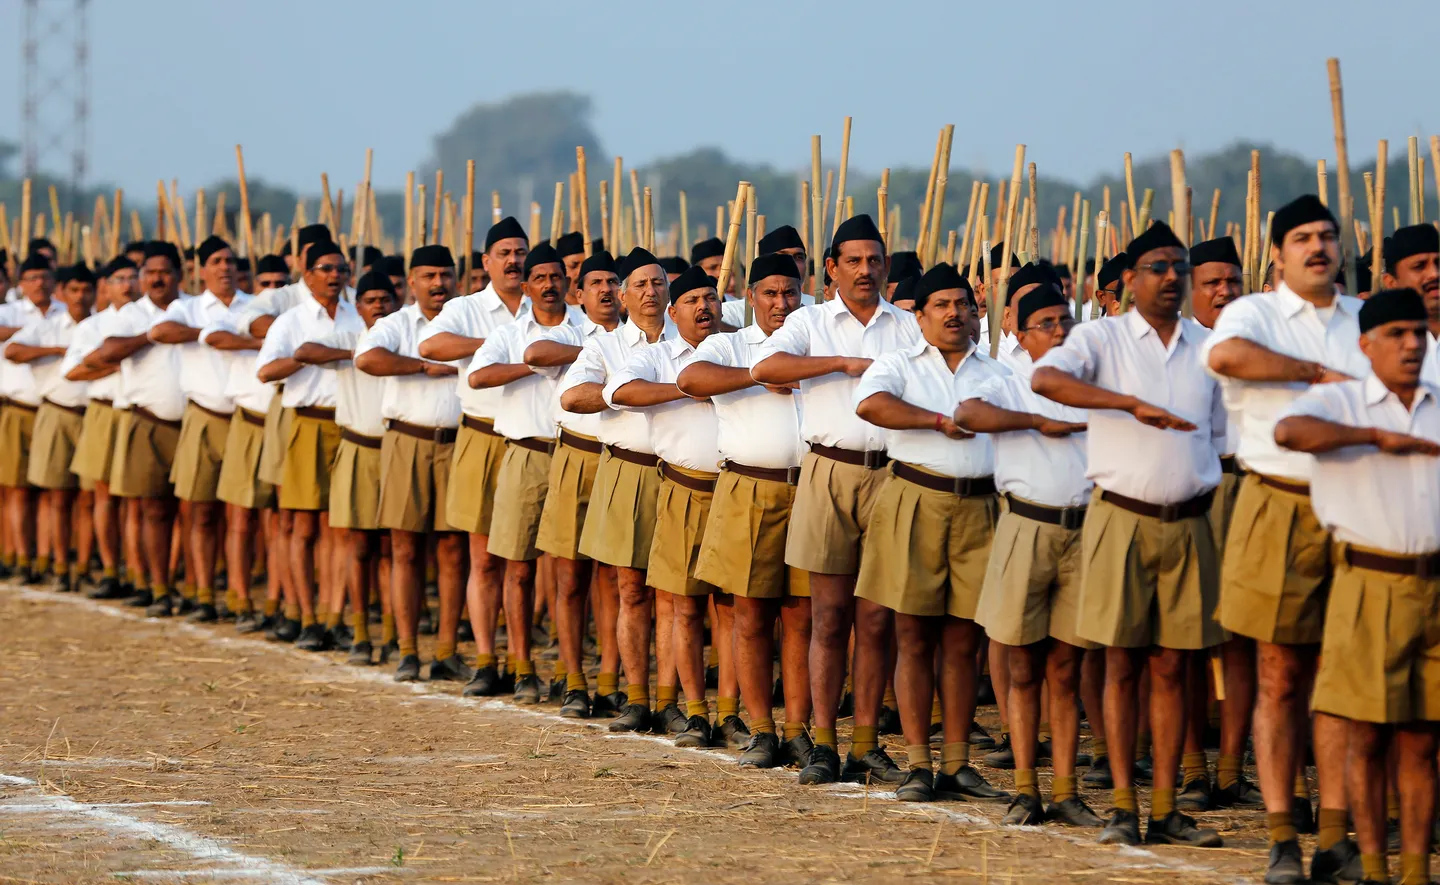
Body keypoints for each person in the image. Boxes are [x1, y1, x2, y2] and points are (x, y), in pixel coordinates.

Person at [1032, 221, 1225, 848]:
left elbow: (1221, 438)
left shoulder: (1209, 348)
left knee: (1174, 668)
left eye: (1179, 267)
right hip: (1119, 516)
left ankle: (1166, 806)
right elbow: (1046, 381)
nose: (1171, 278)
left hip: (1190, 518)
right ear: (1131, 280)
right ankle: (1121, 804)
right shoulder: (1100, 337)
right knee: (1120, 664)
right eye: (1158, 268)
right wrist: (1125, 404)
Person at [1201, 196, 1369, 883]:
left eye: (1327, 235)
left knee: (1340, 676)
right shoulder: (1255, 313)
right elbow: (1228, 355)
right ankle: (1279, 833)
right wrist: (1318, 375)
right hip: (1278, 504)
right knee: (1278, 673)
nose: (1318, 246)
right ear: (1278, 253)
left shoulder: (1368, 319)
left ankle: (1335, 831)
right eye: (1302, 237)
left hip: (1357, 507)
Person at [1274, 288, 1440, 885]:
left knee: (1423, 741)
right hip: (1369, 583)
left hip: (1435, 588)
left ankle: (1416, 872)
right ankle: (1373, 868)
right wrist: (1374, 437)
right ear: (1365, 344)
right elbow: (1289, 432)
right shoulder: (1342, 400)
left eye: (1419, 333)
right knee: (1367, 737)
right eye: (1397, 333)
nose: (1413, 343)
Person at [751, 214, 922, 785]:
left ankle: (867, 741)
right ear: (831, 268)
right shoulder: (810, 321)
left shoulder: (908, 327)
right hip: (829, 470)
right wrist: (842, 364)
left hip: (893, 476)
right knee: (828, 618)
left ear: (886, 266)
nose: (865, 270)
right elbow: (766, 366)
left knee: (877, 621)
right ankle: (823, 740)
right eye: (853, 261)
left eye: (874, 261)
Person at [845, 260, 1010, 804]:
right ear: (919, 316)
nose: (954, 313)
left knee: (965, 642)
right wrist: (938, 421)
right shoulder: (897, 363)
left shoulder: (998, 370)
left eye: (963, 304)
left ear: (975, 311)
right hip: (913, 500)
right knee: (912, 636)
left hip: (981, 506)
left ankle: (958, 762)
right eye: (941, 305)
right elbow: (871, 405)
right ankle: (918, 762)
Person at [958, 282, 1104, 826]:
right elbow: (970, 414)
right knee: (1022, 666)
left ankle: (1065, 789)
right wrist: (1041, 422)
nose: (1059, 331)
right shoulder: (1006, 381)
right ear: (1019, 334)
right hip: (1026, 526)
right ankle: (1025, 787)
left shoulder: (1095, 382)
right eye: (1044, 323)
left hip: (1086, 529)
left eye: (1065, 321)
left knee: (1067, 666)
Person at [679, 253, 812, 768]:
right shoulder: (728, 343)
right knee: (751, 616)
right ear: (750, 295)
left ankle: (800, 727)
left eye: (791, 293)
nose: (781, 304)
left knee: (802, 618)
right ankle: (762, 727)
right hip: (748, 488)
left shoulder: (814, 338)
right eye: (771, 293)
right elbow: (693, 380)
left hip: (809, 488)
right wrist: (760, 375)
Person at [606, 265, 727, 746]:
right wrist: (688, 385)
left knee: (734, 610)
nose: (704, 307)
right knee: (673, 603)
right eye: (692, 299)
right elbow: (616, 393)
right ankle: (671, 705)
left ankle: (728, 712)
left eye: (711, 298)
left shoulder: (740, 348)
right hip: (671, 484)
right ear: (674, 312)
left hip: (734, 487)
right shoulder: (653, 356)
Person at [560, 247, 679, 733]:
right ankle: (635, 695)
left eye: (658, 284)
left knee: (676, 596)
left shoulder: (695, 340)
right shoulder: (605, 347)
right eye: (640, 285)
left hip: (682, 473)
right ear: (623, 295)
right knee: (631, 591)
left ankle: (673, 698)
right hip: (628, 472)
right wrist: (620, 391)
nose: (650, 292)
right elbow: (572, 396)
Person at [416, 217, 529, 695]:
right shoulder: (467, 307)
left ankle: (523, 663)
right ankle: (486, 658)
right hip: (482, 437)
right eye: (503, 252)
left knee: (522, 562)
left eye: (520, 252)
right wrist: (497, 347)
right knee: (482, 559)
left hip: (526, 439)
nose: (513, 260)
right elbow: (432, 346)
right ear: (486, 262)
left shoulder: (549, 307)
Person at [468, 243, 585, 701]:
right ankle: (520, 665)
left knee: (570, 573)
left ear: (566, 282)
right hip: (525, 453)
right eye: (540, 278)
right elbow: (478, 378)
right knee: (517, 568)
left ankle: (571, 672)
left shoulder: (590, 329)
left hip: (573, 453)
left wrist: (567, 351)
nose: (549, 285)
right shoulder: (508, 333)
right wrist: (536, 360)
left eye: (557, 277)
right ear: (527, 284)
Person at [355, 245, 466, 683]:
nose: (438, 283)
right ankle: (405, 649)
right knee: (404, 548)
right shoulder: (397, 323)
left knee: (454, 550)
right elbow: (367, 359)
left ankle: (446, 650)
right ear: (412, 281)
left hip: (460, 442)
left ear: (456, 278)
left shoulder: (471, 320)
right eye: (428, 275)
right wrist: (423, 366)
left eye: (445, 274)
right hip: (408, 440)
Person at [1178, 236, 1262, 813]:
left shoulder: (1264, 343)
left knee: (1244, 634)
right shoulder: (1180, 348)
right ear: (1190, 290)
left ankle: (1233, 768)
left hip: (1253, 488)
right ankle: (1190, 768)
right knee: (1186, 634)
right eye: (1211, 282)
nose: (1224, 291)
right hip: (1198, 492)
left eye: (1232, 280)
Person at [525, 250, 625, 717]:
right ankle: (573, 678)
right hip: (576, 458)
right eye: (595, 283)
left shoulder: (640, 336)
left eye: (612, 281)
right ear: (577, 294)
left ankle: (609, 677)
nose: (606, 289)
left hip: (618, 462)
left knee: (613, 579)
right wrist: (593, 352)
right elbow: (536, 353)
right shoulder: (568, 331)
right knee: (569, 578)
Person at [256, 241, 359, 648]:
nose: (334, 275)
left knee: (341, 528)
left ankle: (334, 615)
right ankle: (305, 615)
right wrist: (310, 357)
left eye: (340, 268)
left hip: (349, 424)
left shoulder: (359, 315)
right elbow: (266, 371)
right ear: (307, 272)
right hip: (308, 424)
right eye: (325, 268)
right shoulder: (292, 320)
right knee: (301, 526)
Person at [293, 271, 398, 665]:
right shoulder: (351, 338)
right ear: (359, 307)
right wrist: (358, 357)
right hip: (356, 448)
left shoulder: (404, 337)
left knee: (392, 548)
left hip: (393, 451)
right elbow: (304, 351)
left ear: (396, 301)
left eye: (386, 299)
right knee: (358, 548)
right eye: (371, 300)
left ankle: (391, 633)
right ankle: (358, 633)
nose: (379, 307)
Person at [149, 236, 250, 621]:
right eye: (216, 261)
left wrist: (238, 337)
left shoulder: (252, 306)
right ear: (199, 270)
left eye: (230, 260)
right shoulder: (188, 307)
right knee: (200, 512)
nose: (225, 267)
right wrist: (210, 335)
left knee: (242, 517)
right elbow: (160, 333)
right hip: (204, 416)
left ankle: (240, 597)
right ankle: (204, 592)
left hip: (243, 419)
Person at [87, 242, 189, 615]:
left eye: (164, 271)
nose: (157, 278)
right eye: (150, 272)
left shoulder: (193, 308)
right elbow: (106, 352)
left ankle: (195, 588)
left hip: (193, 422)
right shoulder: (130, 315)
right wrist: (151, 335)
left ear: (180, 274)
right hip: (147, 420)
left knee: (196, 513)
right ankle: (158, 587)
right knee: (152, 510)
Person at [8, 263, 96, 591]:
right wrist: (59, 350)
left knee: (89, 498)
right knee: (57, 497)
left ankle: (84, 566)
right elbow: (14, 350)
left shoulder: (102, 325)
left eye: (86, 290)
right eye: (73, 290)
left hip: (92, 414)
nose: (80, 296)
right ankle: (60, 566)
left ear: (95, 292)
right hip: (56, 412)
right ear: (62, 293)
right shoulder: (49, 326)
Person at [65, 258, 138, 599]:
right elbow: (75, 371)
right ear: (106, 286)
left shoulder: (152, 319)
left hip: (139, 413)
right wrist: (115, 366)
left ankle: (138, 571)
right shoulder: (93, 327)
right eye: (119, 278)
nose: (127, 284)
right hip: (105, 411)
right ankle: (110, 568)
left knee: (138, 498)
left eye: (131, 277)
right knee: (104, 495)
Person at [0, 253, 65, 582]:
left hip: (54, 411)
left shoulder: (66, 314)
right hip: (18, 410)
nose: (40, 283)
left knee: (51, 490)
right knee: (17, 489)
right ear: (21, 283)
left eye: (45, 276)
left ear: (55, 281)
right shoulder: (10, 311)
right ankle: (19, 557)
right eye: (33, 277)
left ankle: (45, 558)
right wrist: (37, 332)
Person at [1379, 224, 1438, 385]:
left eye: (1439, 263)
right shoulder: (1378, 350)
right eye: (1420, 266)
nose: (1434, 274)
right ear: (1391, 282)